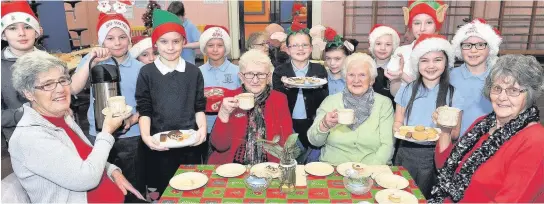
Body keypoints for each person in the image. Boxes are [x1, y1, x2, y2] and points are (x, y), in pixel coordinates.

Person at [8, 50, 144, 203]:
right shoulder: (29, 138)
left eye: (62, 80)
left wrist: (113, 171)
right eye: (48, 84)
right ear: (28, 93)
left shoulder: (63, 117)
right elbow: (86, 178)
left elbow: (85, 156)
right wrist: (106, 132)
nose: (60, 89)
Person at [430, 55, 544, 203]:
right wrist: (445, 130)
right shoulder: (483, 124)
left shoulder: (536, 141)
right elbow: (445, 166)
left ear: (530, 94)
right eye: (497, 88)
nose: (502, 97)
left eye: (513, 90)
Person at [70, 12, 145, 202]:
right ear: (101, 41)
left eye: (122, 37)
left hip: (131, 136)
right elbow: (73, 88)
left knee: (132, 180)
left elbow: (148, 104)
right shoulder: (92, 61)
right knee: (101, 181)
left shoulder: (140, 68)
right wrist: (92, 61)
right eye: (110, 38)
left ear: (129, 39)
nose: (117, 43)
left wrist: (133, 118)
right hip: (98, 134)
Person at [135, 9, 207, 201]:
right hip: (160, 146)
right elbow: (144, 109)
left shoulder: (194, 72)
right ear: (155, 44)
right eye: (164, 41)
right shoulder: (147, 73)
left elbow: (199, 106)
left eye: (176, 41)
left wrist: (202, 129)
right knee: (166, 191)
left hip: (189, 144)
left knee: (192, 190)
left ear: (184, 42)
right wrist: (146, 137)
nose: (170, 47)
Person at [393, 34, 464, 198]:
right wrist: (397, 129)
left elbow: (455, 134)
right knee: (400, 196)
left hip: (435, 156)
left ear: (446, 63)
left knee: (425, 197)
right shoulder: (406, 89)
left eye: (437, 60)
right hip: (405, 152)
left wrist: (443, 125)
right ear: (417, 64)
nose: (431, 65)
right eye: (424, 60)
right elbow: (398, 121)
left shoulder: (454, 94)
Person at [307, 53, 394, 166]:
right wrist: (324, 125)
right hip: (333, 167)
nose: (356, 80)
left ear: (372, 80)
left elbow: (387, 145)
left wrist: (369, 171)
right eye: (351, 75)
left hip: (371, 168)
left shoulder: (384, 103)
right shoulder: (330, 101)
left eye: (362, 75)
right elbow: (314, 141)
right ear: (345, 78)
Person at [208, 49, 293, 164]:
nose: (255, 80)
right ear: (241, 77)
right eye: (249, 74)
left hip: (268, 165)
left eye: (261, 74)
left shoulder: (279, 99)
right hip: (232, 165)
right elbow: (220, 146)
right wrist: (223, 114)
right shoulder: (231, 98)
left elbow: (286, 141)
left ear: (269, 77)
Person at [272, 22, 328, 164]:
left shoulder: (319, 70)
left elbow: (324, 98)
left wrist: (316, 87)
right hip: (288, 122)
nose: (300, 49)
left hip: (312, 121)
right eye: (295, 45)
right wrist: (286, 87)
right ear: (288, 50)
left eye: (304, 45)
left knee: (311, 156)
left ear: (310, 49)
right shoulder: (280, 71)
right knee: (291, 157)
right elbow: (276, 101)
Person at [1, 1, 42, 178]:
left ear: (36, 31)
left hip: (57, 139)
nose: (21, 33)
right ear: (3, 35)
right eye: (12, 28)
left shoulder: (50, 61)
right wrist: (27, 112)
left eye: (27, 26)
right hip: (19, 147)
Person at [450, 18, 502, 135]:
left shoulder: (498, 77)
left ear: (490, 49)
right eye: (467, 45)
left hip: (489, 142)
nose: (473, 50)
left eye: (480, 45)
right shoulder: (450, 76)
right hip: (456, 143)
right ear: (460, 48)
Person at [387, 0, 449, 95]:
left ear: (436, 25)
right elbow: (394, 91)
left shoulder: (444, 52)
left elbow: (435, 90)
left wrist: (403, 76)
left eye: (428, 22)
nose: (422, 28)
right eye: (417, 23)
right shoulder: (402, 51)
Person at [198, 25, 241, 160]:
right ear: (204, 48)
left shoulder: (238, 71)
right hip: (206, 127)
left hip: (232, 127)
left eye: (220, 45)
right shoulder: (197, 72)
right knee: (208, 163)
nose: (215, 49)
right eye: (210, 45)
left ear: (226, 48)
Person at [368, 24, 401, 103]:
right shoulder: (366, 66)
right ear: (372, 45)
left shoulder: (398, 69)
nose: (383, 48)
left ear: (394, 46)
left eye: (388, 44)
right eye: (378, 44)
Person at [322, 27, 359, 95]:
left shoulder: (355, 81)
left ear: (348, 57)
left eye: (337, 59)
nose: (332, 63)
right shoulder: (321, 79)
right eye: (328, 58)